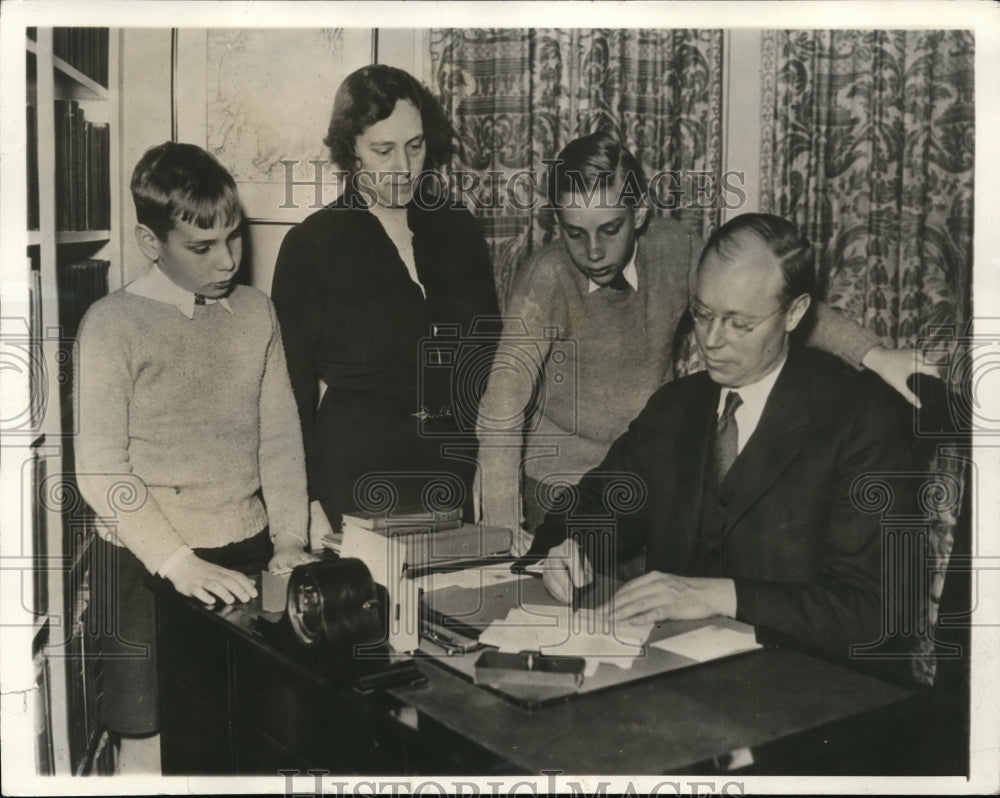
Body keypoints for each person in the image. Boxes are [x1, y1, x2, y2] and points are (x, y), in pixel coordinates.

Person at [475, 131, 935, 555]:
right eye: (575, 233)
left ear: (639, 214)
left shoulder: (676, 250)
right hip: (563, 483)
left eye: (609, 229)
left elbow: (772, 302)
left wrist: (874, 355)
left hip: (648, 466)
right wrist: (501, 528)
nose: (592, 251)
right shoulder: (547, 276)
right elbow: (502, 400)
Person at [528, 213, 915, 660]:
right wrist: (568, 547)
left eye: (738, 323)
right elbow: (595, 504)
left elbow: (878, 613)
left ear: (795, 313)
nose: (711, 340)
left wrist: (721, 597)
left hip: (806, 690)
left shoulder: (863, 418)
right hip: (675, 680)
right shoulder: (676, 407)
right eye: (703, 314)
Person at [76, 142, 314, 772]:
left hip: (247, 549)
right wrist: (177, 561)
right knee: (149, 745)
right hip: (143, 561)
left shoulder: (257, 312)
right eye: (202, 248)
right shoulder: (111, 324)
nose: (229, 261)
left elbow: (280, 438)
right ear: (151, 243)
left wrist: (290, 537)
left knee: (250, 738)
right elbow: (101, 466)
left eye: (233, 239)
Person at [272, 65, 500, 533]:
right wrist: (305, 501)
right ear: (349, 150)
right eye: (383, 149)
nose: (403, 167)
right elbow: (288, 391)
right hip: (356, 478)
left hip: (452, 470)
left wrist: (488, 466)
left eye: (415, 147)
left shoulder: (457, 227)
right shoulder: (312, 245)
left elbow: (488, 358)